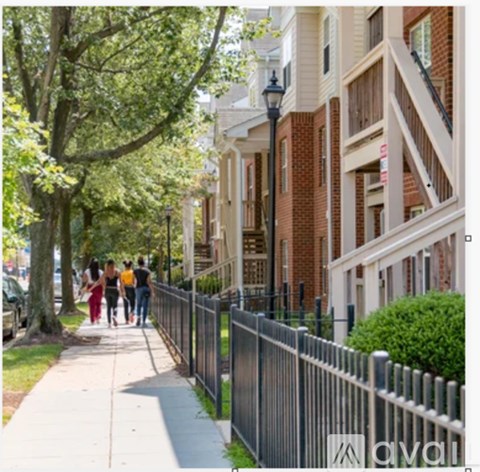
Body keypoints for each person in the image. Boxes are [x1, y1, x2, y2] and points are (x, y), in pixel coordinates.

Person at [101, 259, 123, 328]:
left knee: (108, 307)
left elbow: (102, 282)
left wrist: (104, 289)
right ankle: (114, 316)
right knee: (115, 305)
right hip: (115, 290)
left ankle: (109, 323)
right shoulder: (117, 272)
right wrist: (122, 291)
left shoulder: (105, 272)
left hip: (108, 290)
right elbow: (121, 282)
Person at [81, 258, 103, 324]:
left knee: (92, 305)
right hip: (99, 288)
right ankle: (98, 317)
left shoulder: (87, 271)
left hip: (90, 287)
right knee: (98, 304)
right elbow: (101, 282)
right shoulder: (100, 272)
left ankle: (92, 320)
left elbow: (84, 280)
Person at [133, 256, 154, 327]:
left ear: (138, 263)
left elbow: (134, 280)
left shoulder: (135, 271)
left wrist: (134, 286)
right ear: (144, 263)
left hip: (138, 288)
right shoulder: (147, 271)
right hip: (145, 288)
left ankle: (138, 317)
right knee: (145, 305)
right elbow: (149, 282)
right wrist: (153, 291)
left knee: (138, 304)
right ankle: (144, 322)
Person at [121, 260, 136, 324]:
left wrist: (122, 291)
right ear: (131, 266)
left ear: (125, 266)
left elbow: (122, 283)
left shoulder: (122, 273)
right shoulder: (133, 272)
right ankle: (131, 313)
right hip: (131, 288)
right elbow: (134, 282)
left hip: (125, 288)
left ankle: (127, 320)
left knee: (125, 305)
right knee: (133, 303)